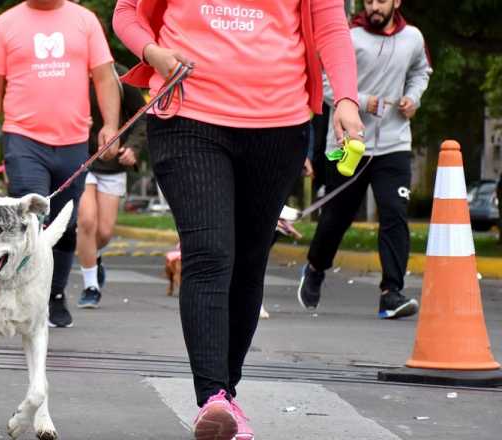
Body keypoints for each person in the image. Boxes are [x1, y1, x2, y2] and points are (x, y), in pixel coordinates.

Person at [114, 0, 363, 438]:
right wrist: (153, 54)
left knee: (249, 261)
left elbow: (330, 25)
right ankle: (211, 395)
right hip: (187, 115)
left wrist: (346, 98)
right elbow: (127, 14)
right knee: (209, 252)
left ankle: (226, 396)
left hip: (279, 126)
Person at [0, 0, 120, 328]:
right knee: (32, 219)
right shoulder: (5, 23)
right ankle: (21, 293)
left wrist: (110, 125)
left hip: (73, 142)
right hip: (23, 138)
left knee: (65, 224)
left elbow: (104, 77)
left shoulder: (84, 21)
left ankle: (54, 293)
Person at [299, 0, 432, 320]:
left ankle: (391, 294)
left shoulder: (413, 38)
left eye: (380, 1)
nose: (373, 7)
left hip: (394, 143)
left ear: (397, 2)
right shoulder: (347, 36)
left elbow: (421, 72)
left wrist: (412, 98)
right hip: (347, 142)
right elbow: (324, 82)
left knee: (394, 213)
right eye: (368, 1)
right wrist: (361, 101)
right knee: (337, 216)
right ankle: (316, 268)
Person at [76, 64, 146, 309]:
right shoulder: (69, 73)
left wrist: (134, 148)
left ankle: (92, 258)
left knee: (104, 232)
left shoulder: (119, 75)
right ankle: (90, 286)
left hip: (112, 164)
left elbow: (142, 115)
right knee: (86, 221)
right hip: (79, 160)